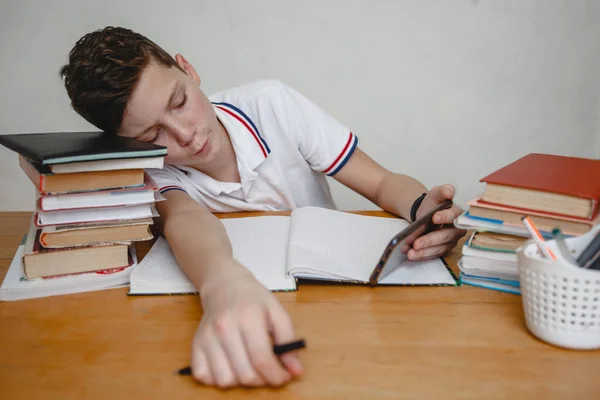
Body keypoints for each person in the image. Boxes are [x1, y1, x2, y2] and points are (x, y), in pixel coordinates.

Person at [59, 26, 466, 389]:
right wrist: (222, 283)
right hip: (246, 300)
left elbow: (379, 181)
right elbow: (184, 219)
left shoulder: (272, 105)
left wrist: (420, 207)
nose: (185, 135)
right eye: (152, 135)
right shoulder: (152, 169)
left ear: (188, 69)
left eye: (180, 101)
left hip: (340, 300)